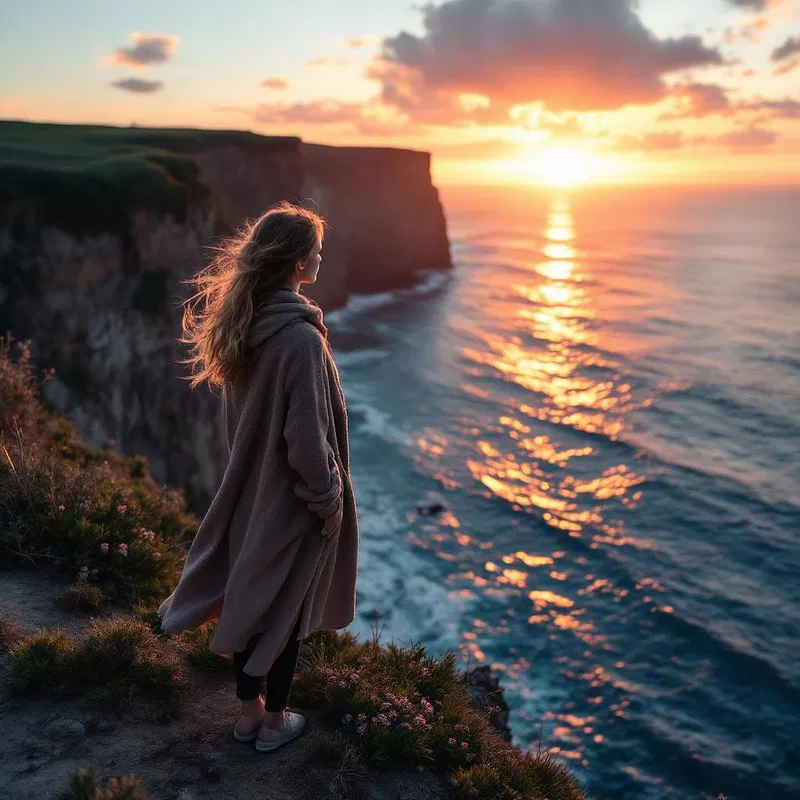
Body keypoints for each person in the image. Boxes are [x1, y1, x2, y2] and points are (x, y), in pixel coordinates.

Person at [157, 201, 359, 753]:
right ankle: (273, 724)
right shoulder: (299, 340)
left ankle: (247, 715)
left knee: (250, 595)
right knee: (286, 609)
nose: (321, 258)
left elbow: (243, 421)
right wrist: (327, 499)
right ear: (296, 262)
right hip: (293, 498)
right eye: (316, 250)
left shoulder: (243, 323)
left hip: (250, 488)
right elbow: (306, 438)